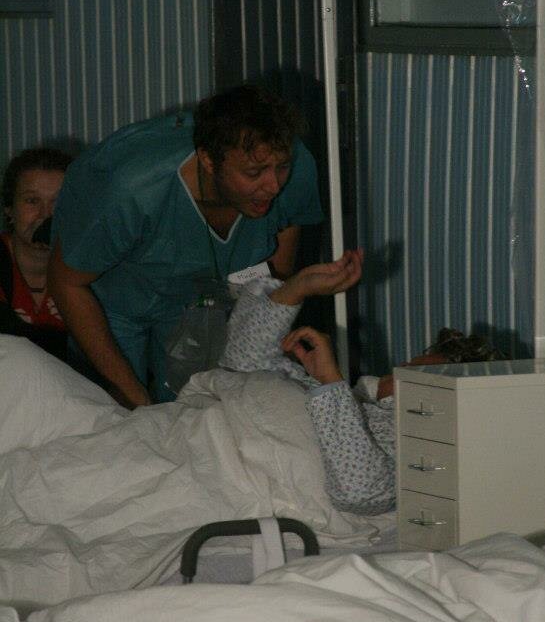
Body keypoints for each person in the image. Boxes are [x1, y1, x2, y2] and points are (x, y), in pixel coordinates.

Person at [48, 85, 324, 408]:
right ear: (208, 160)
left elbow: (276, 275)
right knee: (119, 410)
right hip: (108, 298)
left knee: (199, 406)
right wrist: (130, 392)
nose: (273, 185)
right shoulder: (129, 190)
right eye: (254, 172)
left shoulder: (293, 167)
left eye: (282, 168)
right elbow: (66, 282)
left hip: (197, 299)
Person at [221, 247, 437, 516]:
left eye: (420, 372)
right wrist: (298, 288)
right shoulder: (354, 403)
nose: (403, 368)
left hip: (229, 479)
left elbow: (361, 493)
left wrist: (330, 383)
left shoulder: (413, 441)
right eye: (410, 363)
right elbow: (242, 364)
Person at [0, 146, 72, 361]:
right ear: (9, 209)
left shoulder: (94, 270)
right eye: (32, 201)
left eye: (59, 202)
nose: (46, 214)